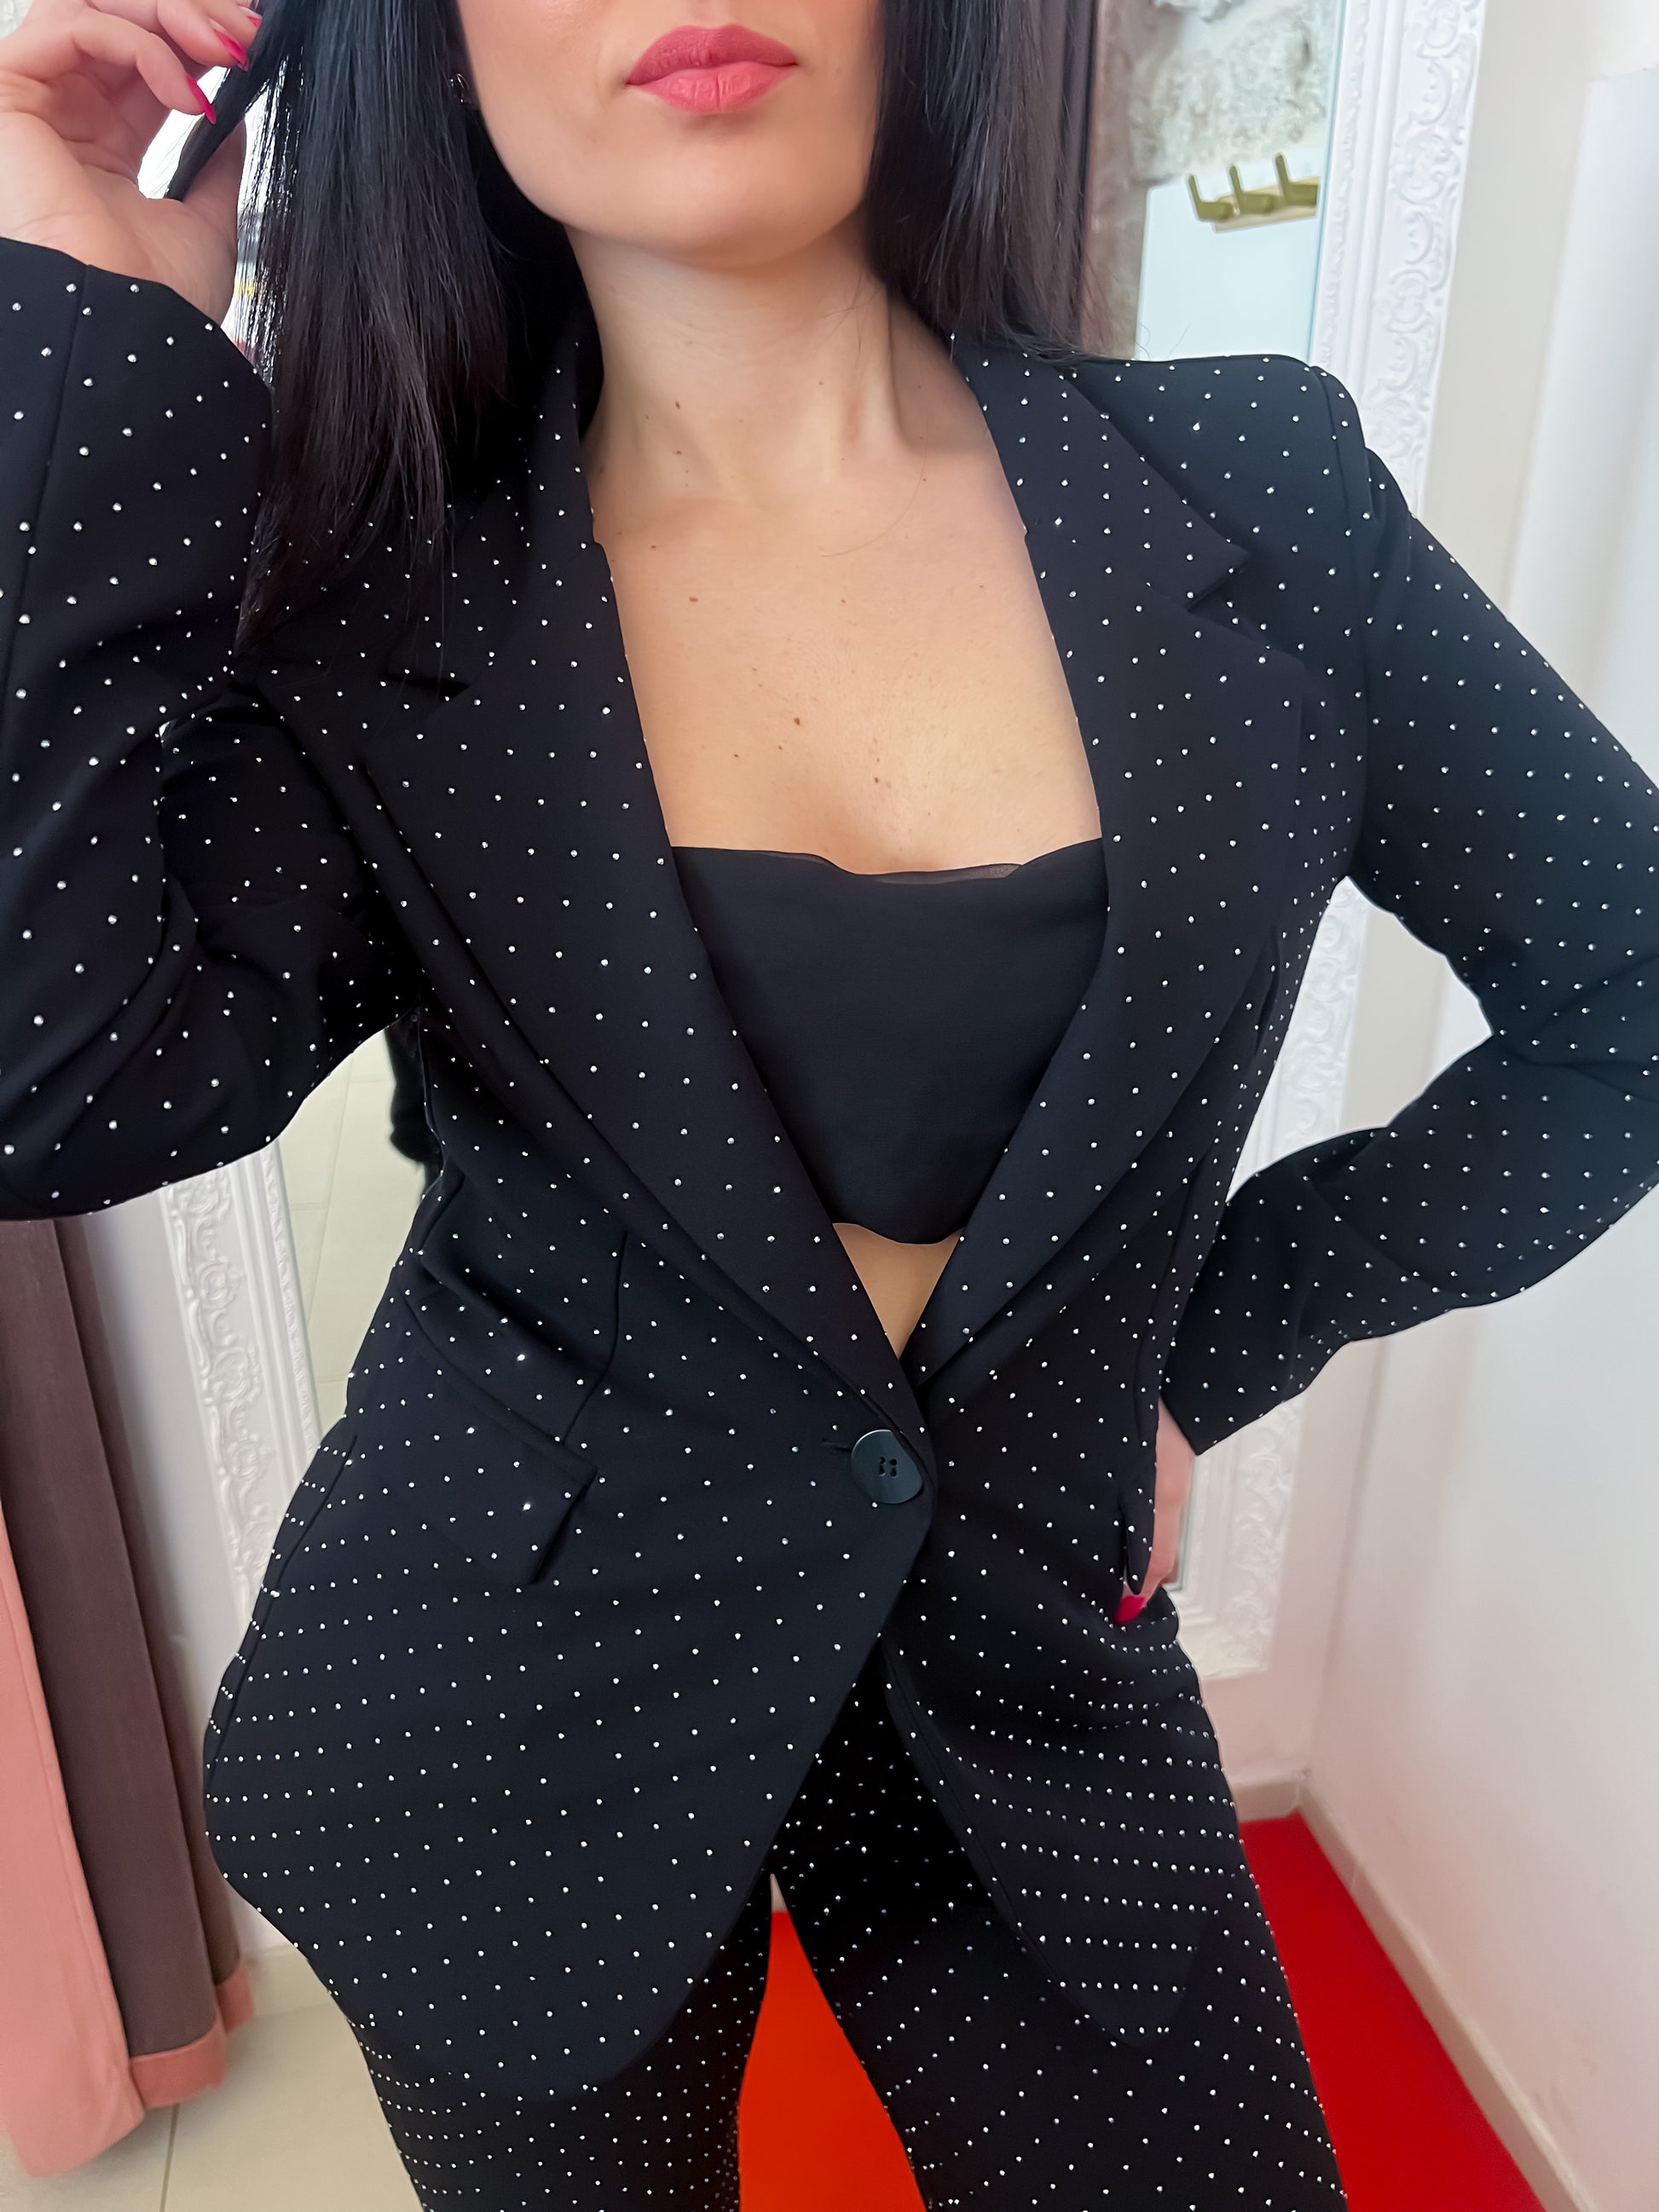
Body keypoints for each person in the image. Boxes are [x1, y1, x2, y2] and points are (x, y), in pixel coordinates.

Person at [2, 3, 1656, 2205]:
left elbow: (1626, 997)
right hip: (497, 1717)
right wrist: (83, 333)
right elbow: (54, 1092)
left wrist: (1204, 1350)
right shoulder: (361, 588)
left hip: (1031, 1681)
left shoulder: (1259, 485)